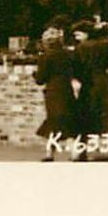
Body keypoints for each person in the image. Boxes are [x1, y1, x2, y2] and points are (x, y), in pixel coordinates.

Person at [73, 22, 108, 155]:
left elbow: (76, 69)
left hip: (88, 85)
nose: (76, 37)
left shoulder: (80, 48)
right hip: (104, 84)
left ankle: (80, 152)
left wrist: (80, 82)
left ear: (86, 33)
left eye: (78, 34)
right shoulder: (106, 45)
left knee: (84, 118)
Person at [33, 20, 78, 161]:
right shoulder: (68, 55)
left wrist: (35, 74)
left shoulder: (45, 57)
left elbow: (41, 79)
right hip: (66, 89)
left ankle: (52, 153)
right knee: (66, 121)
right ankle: (72, 152)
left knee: (54, 121)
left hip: (52, 91)